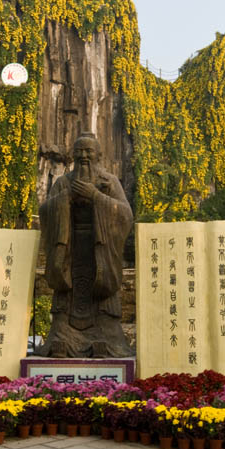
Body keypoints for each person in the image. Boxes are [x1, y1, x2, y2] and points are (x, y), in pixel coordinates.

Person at [36, 132, 134, 358]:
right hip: (69, 248)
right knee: (67, 293)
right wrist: (66, 198)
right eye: (79, 151)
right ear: (73, 155)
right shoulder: (63, 183)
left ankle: (105, 340)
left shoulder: (109, 182)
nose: (84, 156)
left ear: (99, 155)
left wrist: (95, 197)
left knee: (102, 296)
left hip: (101, 250)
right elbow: (45, 213)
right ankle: (62, 338)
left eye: (89, 151)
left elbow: (126, 215)